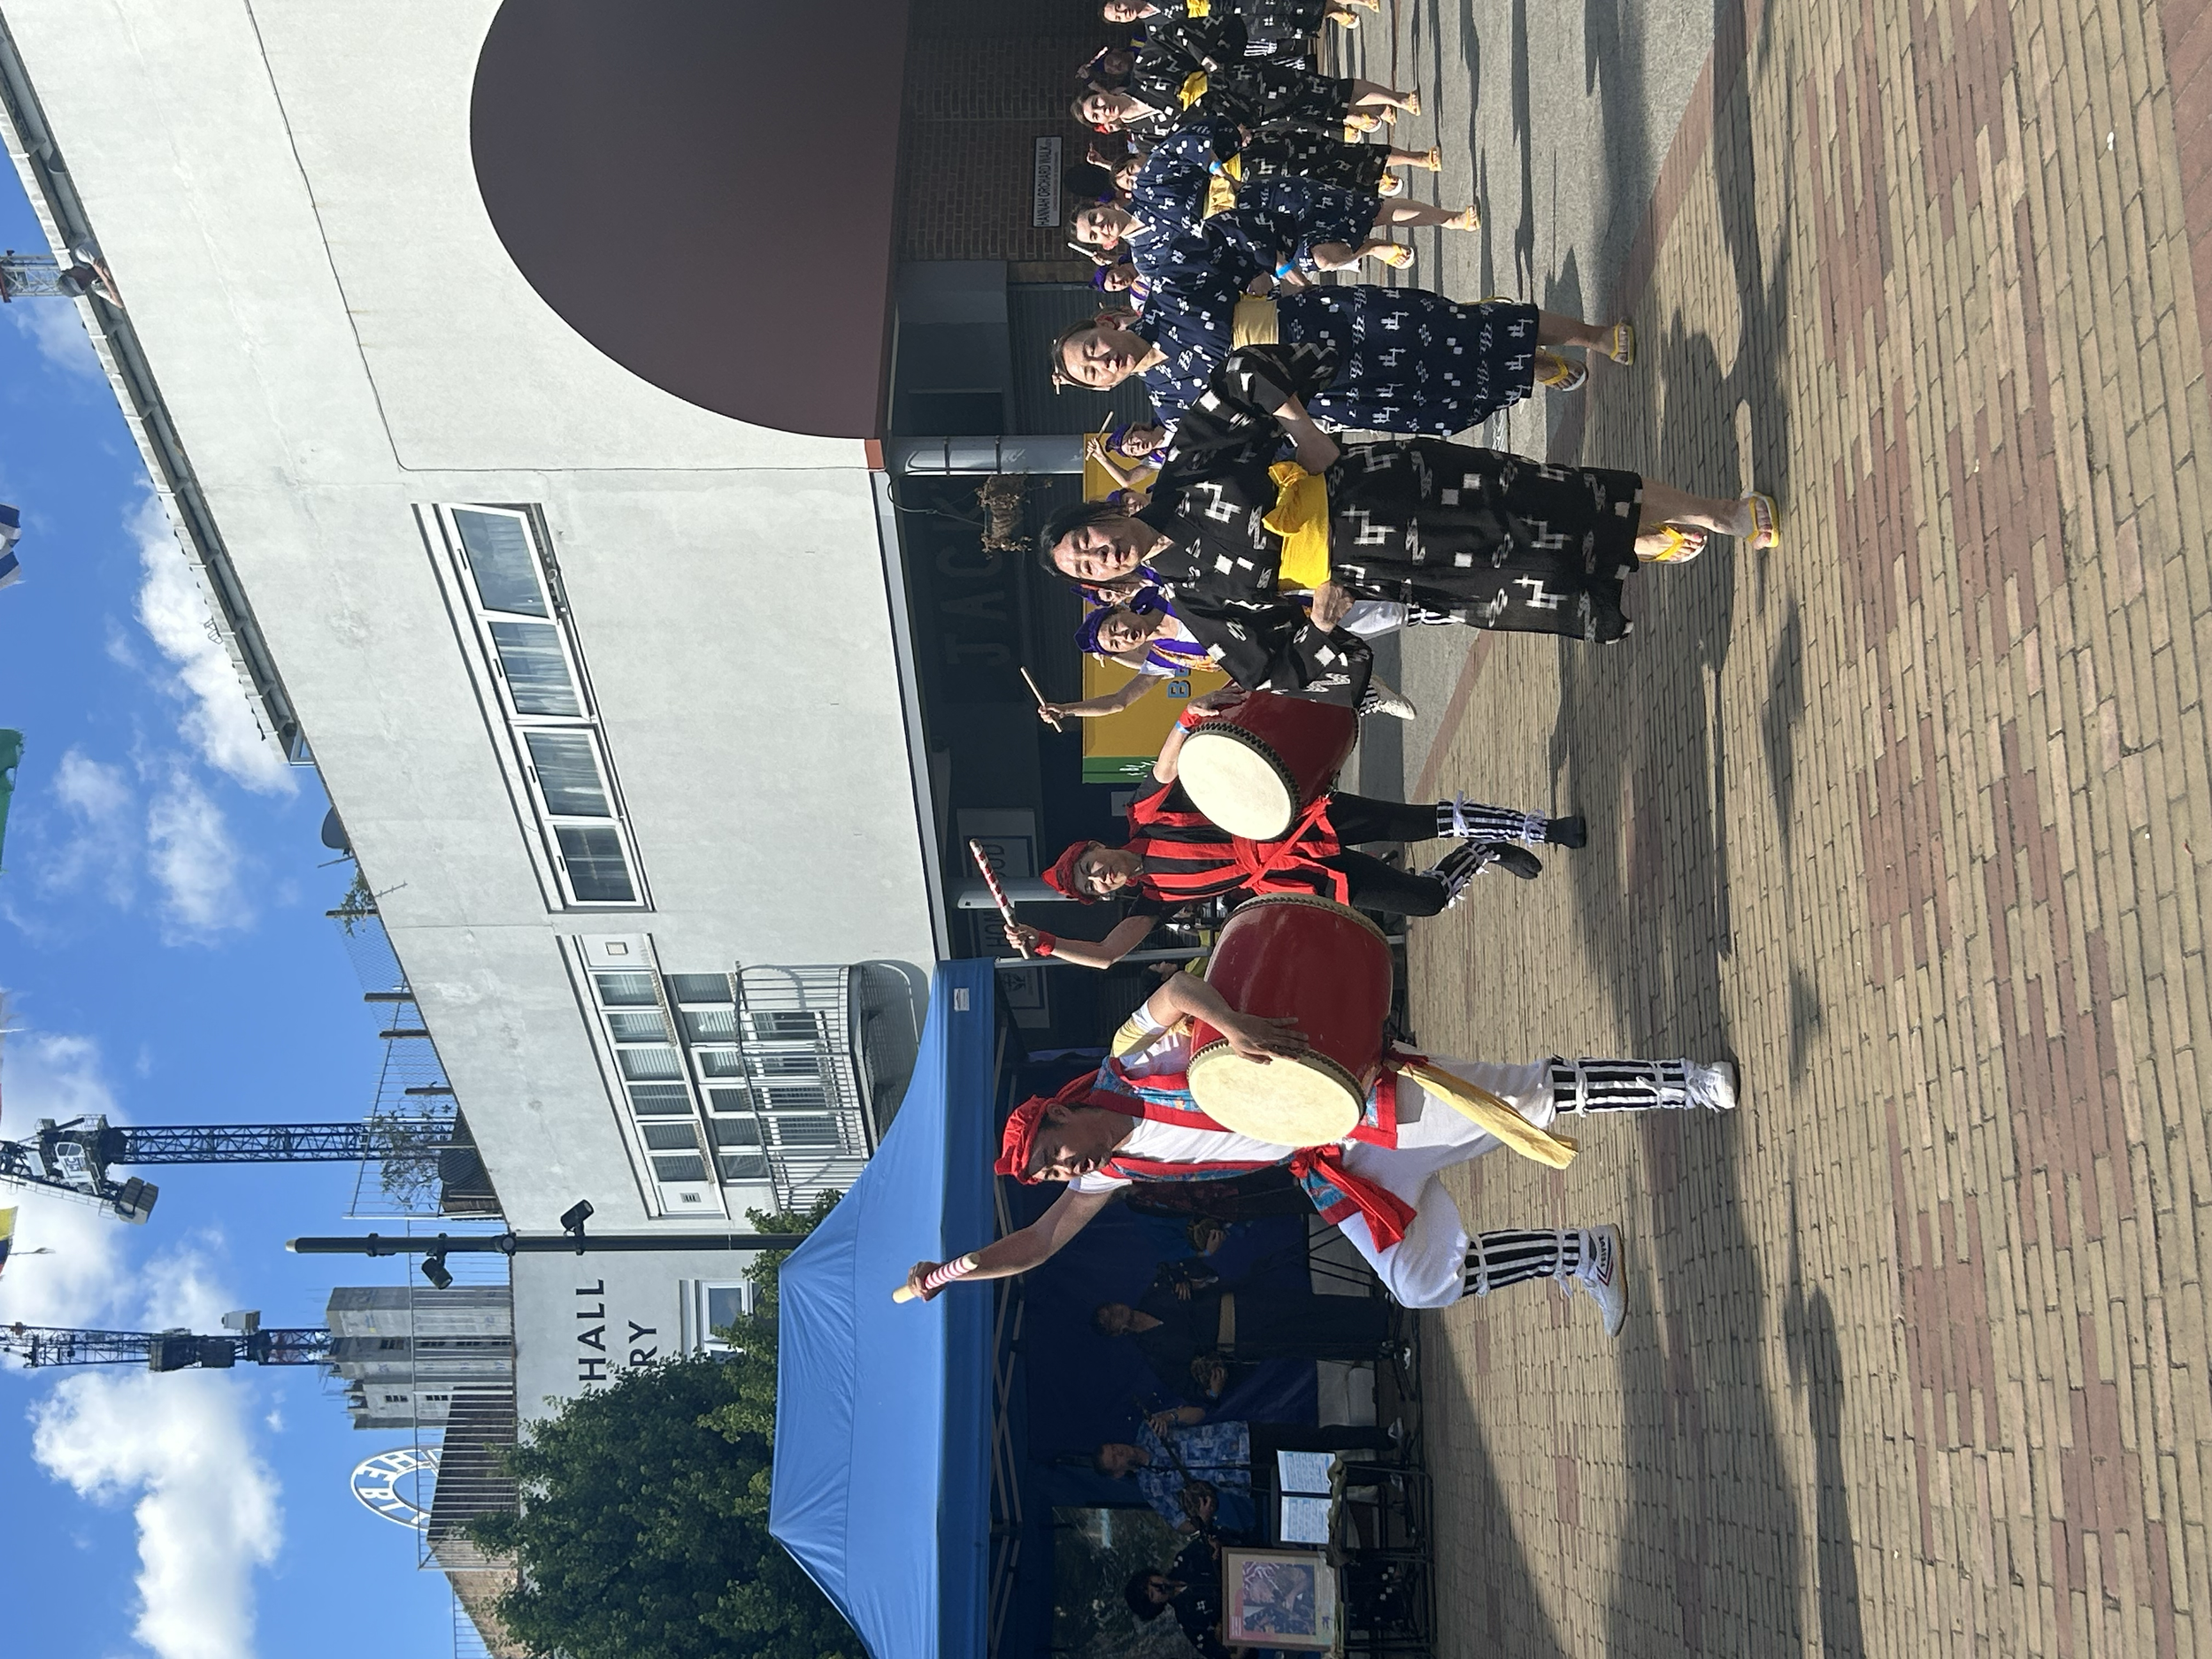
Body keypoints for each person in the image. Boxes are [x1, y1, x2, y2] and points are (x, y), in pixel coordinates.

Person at [902, 970, 1744, 1333]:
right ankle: (1581, 1253)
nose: (1062, 1174)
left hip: (1363, 1095)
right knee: (1420, 1282)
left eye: (1052, 1156)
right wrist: (947, 1273)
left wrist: (1231, 1027)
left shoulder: (1128, 1058)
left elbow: (1177, 992)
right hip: (1338, 1165)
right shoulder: (1119, 1170)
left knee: (1527, 1095)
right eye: (1051, 1176)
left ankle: (1686, 1081)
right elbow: (1040, 1243)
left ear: (1061, 1113)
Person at [1040, 341, 1779, 698]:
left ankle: (1717, 514)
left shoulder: (1185, 468)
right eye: (1087, 565)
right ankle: (1645, 539)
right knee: (1530, 571)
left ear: (1101, 516)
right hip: (1386, 567)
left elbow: (1238, 376)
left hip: (1387, 487)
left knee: (1553, 496)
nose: (1099, 554)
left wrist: (1300, 426)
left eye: (1086, 540)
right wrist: (1321, 625)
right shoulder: (1193, 599)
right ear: (1107, 579)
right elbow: (1272, 666)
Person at [1008, 698, 1580, 967]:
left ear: (1096, 846)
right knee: (1425, 900)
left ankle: (1543, 828)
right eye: (1095, 886)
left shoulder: (1144, 816)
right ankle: (1485, 849)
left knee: (1425, 819)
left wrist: (1187, 719)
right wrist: (1050, 944)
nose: (1101, 876)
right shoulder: (1152, 901)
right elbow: (1108, 955)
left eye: (1090, 865)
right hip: (1297, 873)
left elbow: (1165, 768)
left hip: (1295, 816)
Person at [1096, 1256, 1394, 1400]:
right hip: (1239, 1342)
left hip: (1242, 1305)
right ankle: (1379, 1346)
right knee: (1306, 1341)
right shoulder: (1153, 1353)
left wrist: (1192, 1282)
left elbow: (1202, 1270)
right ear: (1115, 1333)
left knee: (1308, 1307)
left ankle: (1381, 1315)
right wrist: (1212, 1390)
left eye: (1112, 1308)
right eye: (1111, 1319)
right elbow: (1190, 1388)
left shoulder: (1158, 1290)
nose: (1117, 1313)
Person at [1096, 1411, 1395, 1534]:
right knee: (1319, 1478)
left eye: (1115, 1447)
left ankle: (1385, 1437)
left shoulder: (1149, 1429)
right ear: (1119, 1473)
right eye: (1115, 1459)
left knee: (1319, 1440)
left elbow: (1198, 1412)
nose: (1120, 1452)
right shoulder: (1151, 1488)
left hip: (1244, 1438)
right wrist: (1202, 1517)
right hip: (1243, 1477)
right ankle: (1388, 1473)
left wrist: (1170, 1416)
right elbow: (1181, 1525)